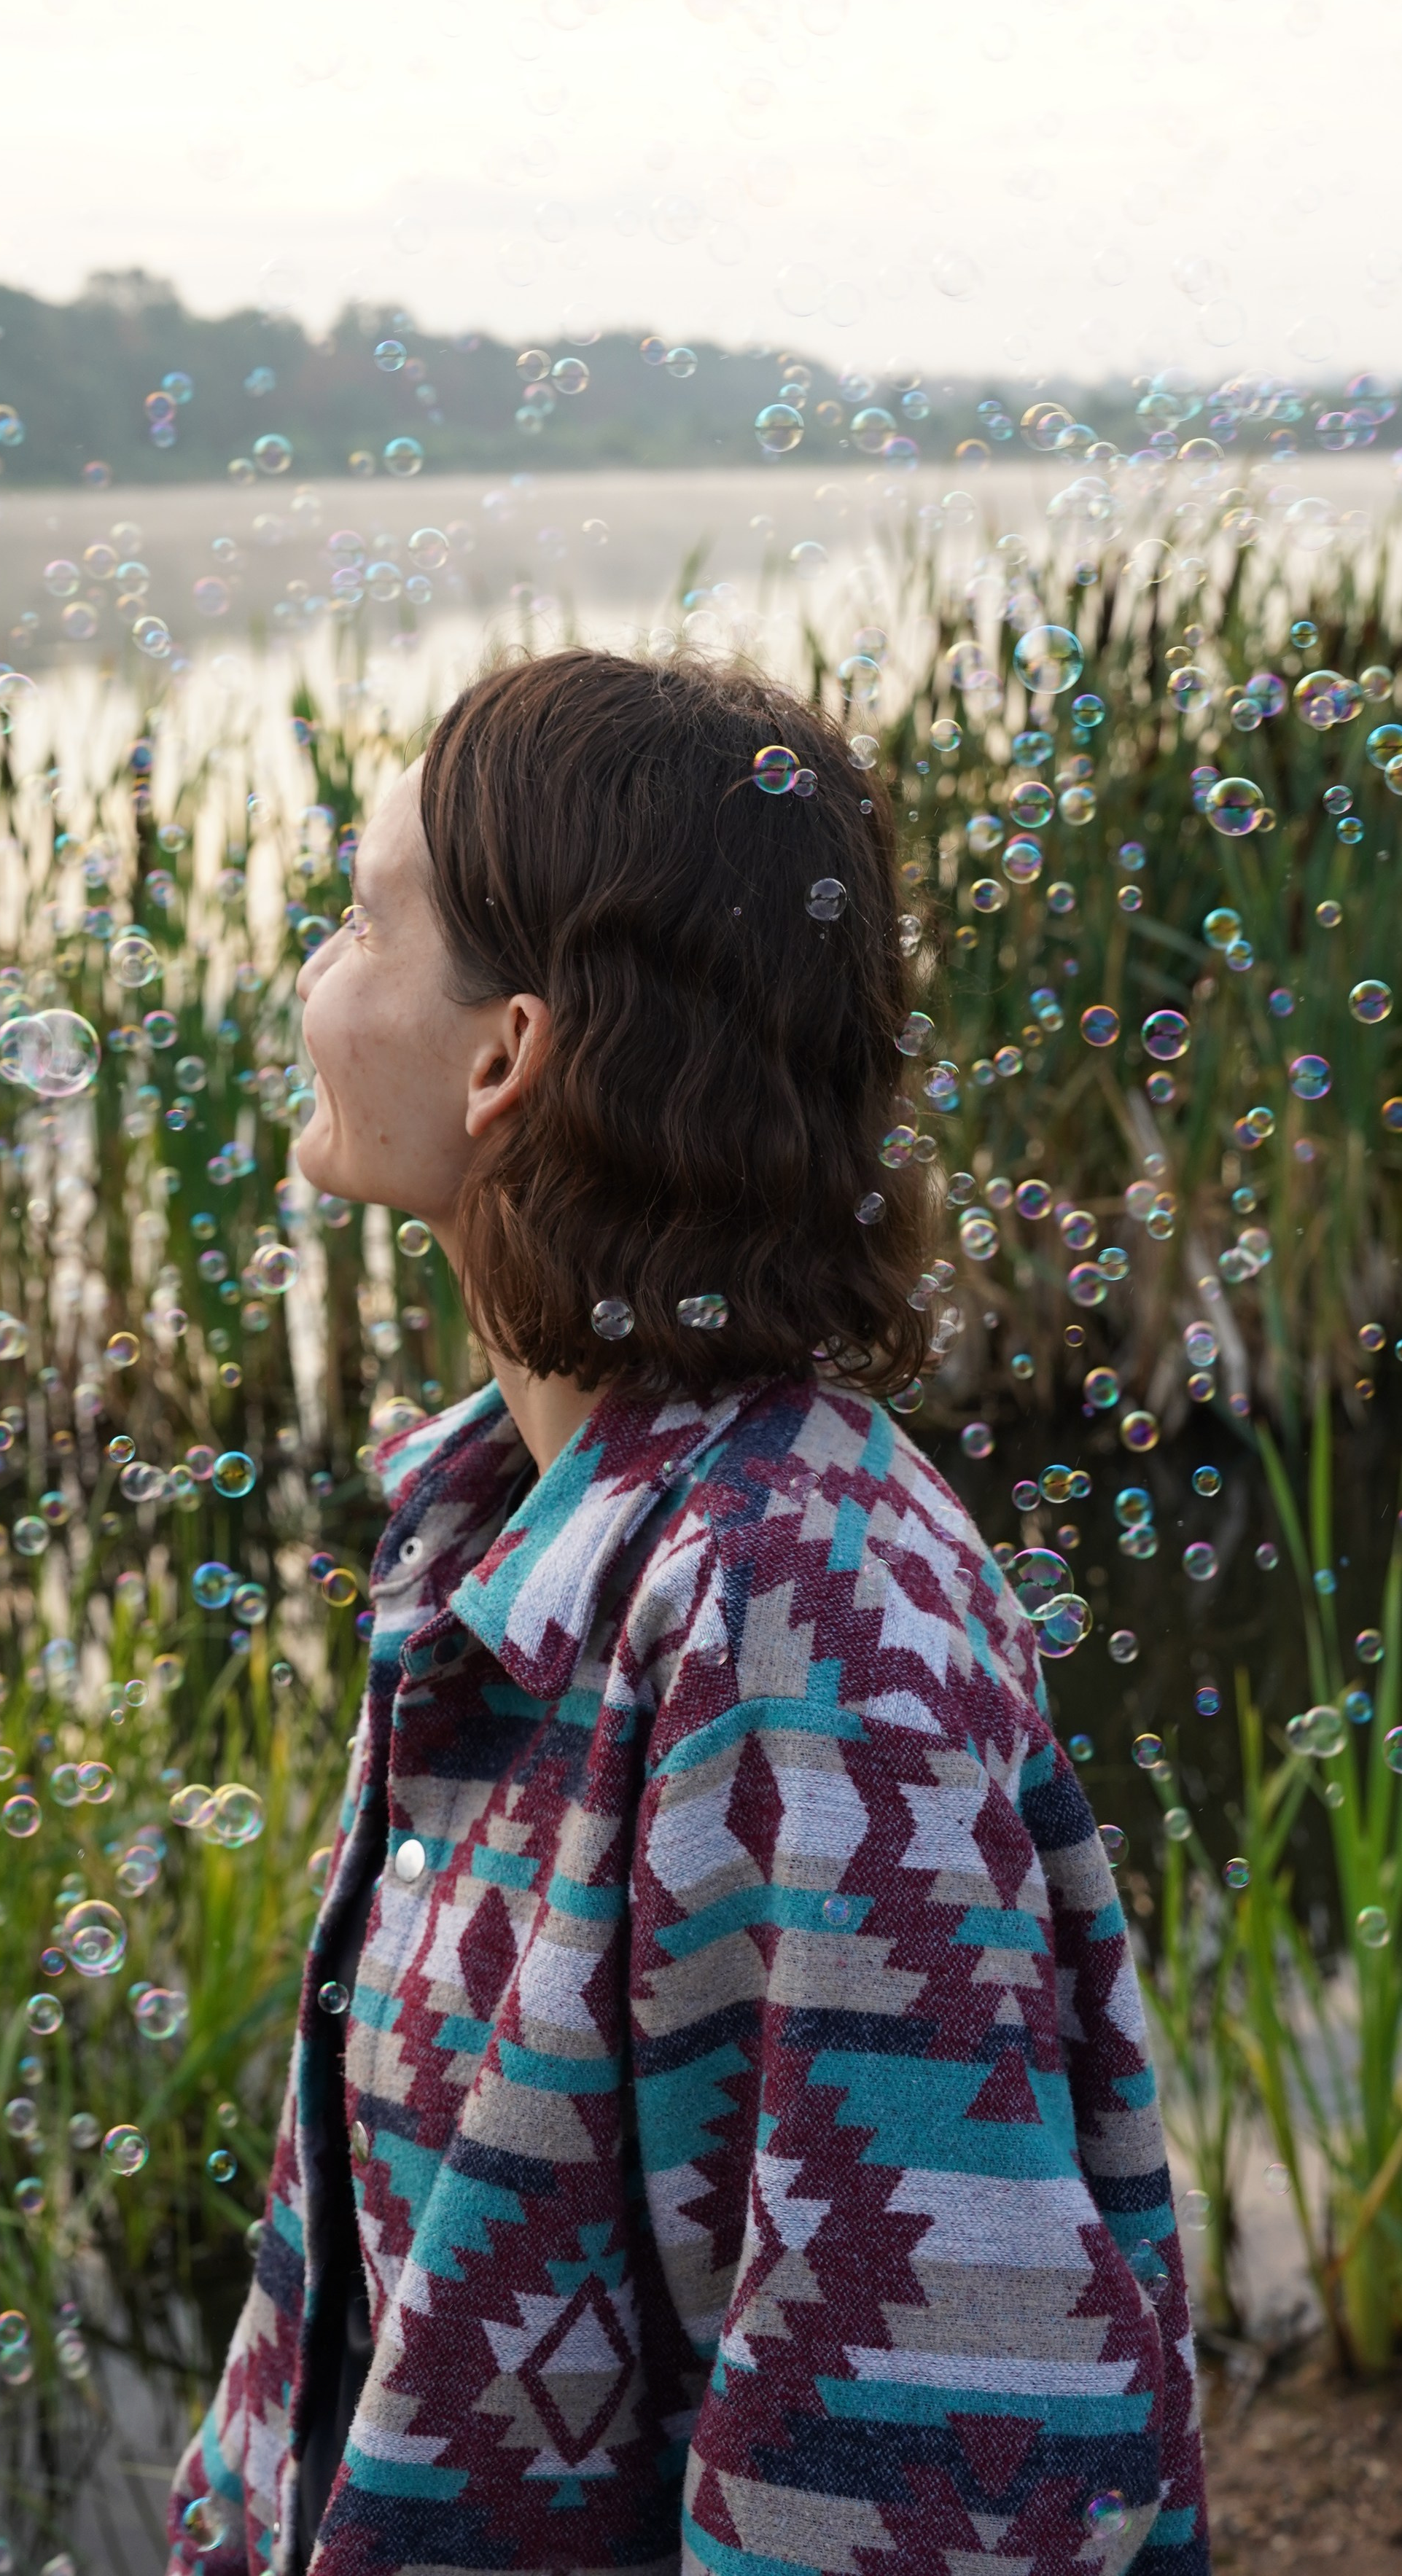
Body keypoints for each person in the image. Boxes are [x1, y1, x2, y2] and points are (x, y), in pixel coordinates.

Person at [167, 648, 1207, 2576]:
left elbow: (923, 2468)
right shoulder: (505, 1525)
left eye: (355, 920)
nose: (310, 976)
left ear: (505, 1056)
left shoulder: (799, 1615)